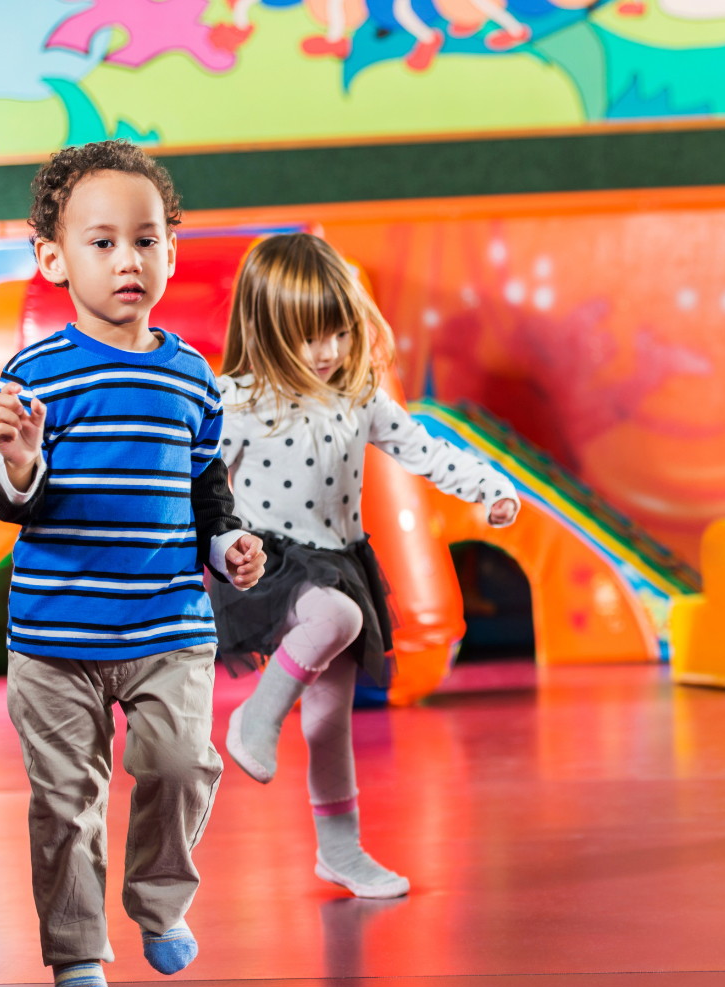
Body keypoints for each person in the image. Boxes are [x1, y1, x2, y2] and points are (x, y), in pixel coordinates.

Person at [0, 141, 266, 987]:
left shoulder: (194, 379)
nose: (127, 261)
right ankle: (77, 956)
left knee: (184, 764)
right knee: (66, 804)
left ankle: (159, 903)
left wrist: (226, 548)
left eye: (145, 241)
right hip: (56, 638)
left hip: (168, 628)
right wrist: (21, 463)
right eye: (101, 243)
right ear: (52, 258)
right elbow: (9, 501)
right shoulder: (33, 377)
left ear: (171, 252)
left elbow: (205, 491)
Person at [210, 232, 519, 899]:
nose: (327, 353)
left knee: (328, 720)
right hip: (268, 561)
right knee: (336, 616)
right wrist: (212, 543)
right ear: (266, 332)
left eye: (339, 335)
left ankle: (341, 853)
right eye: (308, 338)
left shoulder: (359, 397)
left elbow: (425, 450)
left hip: (340, 558)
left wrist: (489, 486)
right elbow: (192, 482)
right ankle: (255, 717)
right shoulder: (236, 401)